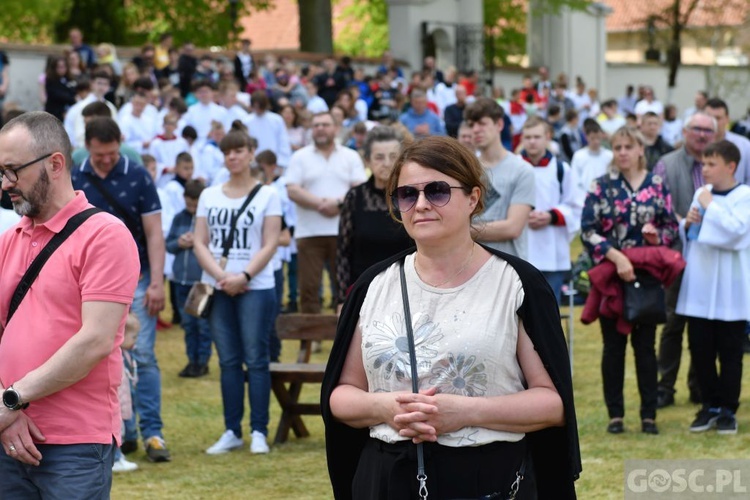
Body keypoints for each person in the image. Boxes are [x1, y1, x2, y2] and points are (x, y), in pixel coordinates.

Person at [321, 135, 580, 499]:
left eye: (437, 191)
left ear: (473, 198)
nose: (421, 204)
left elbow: (553, 405)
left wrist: (467, 412)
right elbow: (341, 394)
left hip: (487, 478)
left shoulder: (517, 284)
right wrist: (384, 406)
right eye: (407, 194)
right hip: (385, 479)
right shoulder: (374, 286)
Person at [0, 111, 139, 495]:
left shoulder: (105, 236)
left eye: (13, 170)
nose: (6, 184)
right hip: (9, 435)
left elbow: (93, 341)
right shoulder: (9, 239)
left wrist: (13, 399)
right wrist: (7, 414)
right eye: (1, 172)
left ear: (55, 164)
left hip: (75, 443)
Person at [71, 117, 170, 462]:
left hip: (137, 277)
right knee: (96, 356)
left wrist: (157, 281)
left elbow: (155, 232)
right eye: (99, 155)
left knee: (142, 354)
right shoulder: (74, 175)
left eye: (112, 153)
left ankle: (153, 433)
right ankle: (117, 433)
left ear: (120, 144)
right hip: (86, 283)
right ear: (88, 148)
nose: (106, 160)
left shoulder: (138, 174)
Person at [581, 126, 680, 435]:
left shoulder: (657, 184)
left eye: (628, 146)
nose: (622, 151)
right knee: (613, 346)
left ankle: (649, 414)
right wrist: (615, 255)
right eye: (617, 146)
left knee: (645, 346)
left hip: (646, 277)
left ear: (640, 150)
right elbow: (587, 229)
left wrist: (656, 236)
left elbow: (671, 228)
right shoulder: (602, 186)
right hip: (612, 276)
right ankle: (616, 415)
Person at [192, 123, 282, 455]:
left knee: (256, 358)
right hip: (217, 286)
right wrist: (221, 275)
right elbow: (201, 242)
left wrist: (243, 275)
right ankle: (232, 430)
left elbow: (271, 242)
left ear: (250, 153)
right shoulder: (209, 194)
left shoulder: (268, 194)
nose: (232, 157)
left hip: (256, 286)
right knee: (228, 360)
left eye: (238, 151)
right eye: (227, 151)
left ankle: (259, 429)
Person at [677, 140, 750, 434]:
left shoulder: (744, 195)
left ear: (731, 166)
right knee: (701, 350)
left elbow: (736, 234)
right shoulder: (701, 193)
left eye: (711, 164)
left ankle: (728, 410)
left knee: (730, 351)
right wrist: (689, 224)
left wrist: (710, 211)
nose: (704, 170)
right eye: (703, 164)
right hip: (700, 285)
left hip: (730, 289)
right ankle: (709, 405)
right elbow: (695, 236)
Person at [652, 112, 718, 408]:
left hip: (711, 256)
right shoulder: (667, 163)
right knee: (672, 323)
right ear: (684, 130)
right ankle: (665, 387)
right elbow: (659, 206)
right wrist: (685, 223)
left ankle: (700, 385)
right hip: (676, 256)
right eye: (697, 129)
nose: (702, 135)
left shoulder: (720, 166)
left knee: (705, 324)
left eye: (708, 130)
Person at [285, 112, 367, 314]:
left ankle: (344, 337)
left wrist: (338, 204)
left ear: (336, 128)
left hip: (345, 233)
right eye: (316, 125)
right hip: (309, 232)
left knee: (346, 288)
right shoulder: (300, 156)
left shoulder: (350, 156)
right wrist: (321, 204)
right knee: (309, 289)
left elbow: (360, 189)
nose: (320, 128)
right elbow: (292, 190)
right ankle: (309, 342)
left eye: (325, 124)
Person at [336, 126, 414, 309]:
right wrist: (341, 299)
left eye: (393, 156)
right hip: (363, 293)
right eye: (379, 157)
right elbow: (343, 252)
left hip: (406, 292)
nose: (386, 163)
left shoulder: (413, 196)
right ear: (367, 161)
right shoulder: (355, 197)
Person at [463, 97, 535, 259]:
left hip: (509, 267)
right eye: (471, 124)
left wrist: (458, 231)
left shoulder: (522, 170)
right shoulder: (465, 170)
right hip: (468, 267)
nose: (475, 129)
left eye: (482, 123)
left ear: (499, 125)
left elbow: (512, 228)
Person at [519, 117, 581, 303]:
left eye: (537, 136)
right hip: (519, 250)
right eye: (528, 137)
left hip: (552, 253)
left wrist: (551, 215)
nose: (532, 141)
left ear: (547, 137)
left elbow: (575, 205)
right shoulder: (513, 167)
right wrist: (520, 214)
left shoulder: (561, 169)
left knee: (548, 311)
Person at [166, 179, 212, 378]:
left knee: (201, 325)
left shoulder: (208, 220)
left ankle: (202, 362)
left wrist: (198, 242)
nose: (191, 208)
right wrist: (179, 242)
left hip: (200, 282)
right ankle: (191, 360)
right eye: (188, 204)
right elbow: (168, 245)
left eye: (195, 205)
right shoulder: (178, 218)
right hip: (180, 281)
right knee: (188, 325)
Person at [704, 97, 750, 185]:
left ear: (727, 119)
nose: (714, 122)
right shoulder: (696, 145)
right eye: (709, 117)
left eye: (718, 118)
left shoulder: (744, 146)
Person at [43, 56, 77, 121]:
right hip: (55, 112)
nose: (62, 69)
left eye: (64, 67)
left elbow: (73, 91)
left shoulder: (69, 79)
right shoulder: (50, 80)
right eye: (59, 67)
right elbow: (57, 95)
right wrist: (72, 99)